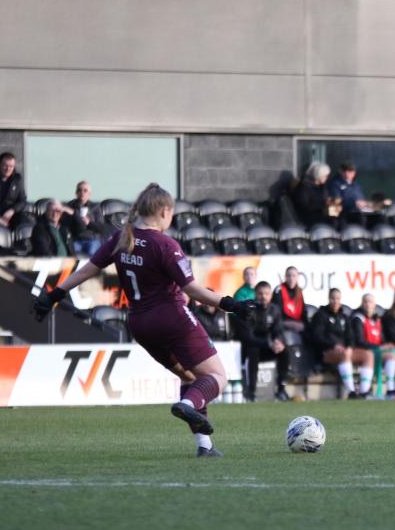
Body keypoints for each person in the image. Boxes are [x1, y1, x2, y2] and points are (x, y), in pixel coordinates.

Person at [31, 183, 256, 457]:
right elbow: (192, 289)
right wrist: (230, 304)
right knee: (216, 376)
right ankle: (187, 405)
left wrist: (54, 295)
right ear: (164, 211)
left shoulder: (122, 238)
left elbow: (87, 269)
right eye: (171, 213)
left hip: (140, 324)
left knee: (189, 376)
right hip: (172, 319)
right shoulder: (165, 244)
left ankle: (204, 446)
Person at [235, 281, 292, 402]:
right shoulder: (248, 310)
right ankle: (251, 393)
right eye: (260, 293)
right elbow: (248, 336)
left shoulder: (274, 309)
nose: (263, 297)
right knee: (253, 351)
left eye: (266, 293)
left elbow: (278, 330)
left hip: (268, 347)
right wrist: (268, 343)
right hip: (249, 348)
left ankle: (281, 389)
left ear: (271, 295)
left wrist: (278, 342)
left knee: (285, 350)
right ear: (255, 294)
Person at [311, 288, 371, 398]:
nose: (335, 301)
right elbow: (317, 337)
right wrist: (333, 345)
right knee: (345, 354)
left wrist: (349, 346)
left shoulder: (344, 316)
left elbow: (350, 336)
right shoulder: (320, 315)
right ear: (329, 299)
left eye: (338, 298)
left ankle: (364, 391)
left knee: (368, 355)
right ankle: (352, 392)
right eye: (333, 298)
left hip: (345, 352)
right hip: (327, 352)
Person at [351, 293, 395, 398]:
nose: (368, 304)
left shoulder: (377, 319)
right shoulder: (357, 318)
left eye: (370, 302)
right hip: (363, 350)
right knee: (369, 356)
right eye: (365, 302)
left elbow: (381, 339)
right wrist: (379, 347)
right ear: (362, 304)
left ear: (374, 305)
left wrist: (386, 345)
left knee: (393, 355)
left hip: (376, 351)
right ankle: (364, 391)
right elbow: (359, 341)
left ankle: (390, 389)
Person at [64, 180, 109, 256]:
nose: (82, 193)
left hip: (92, 239)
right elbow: (65, 224)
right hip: (76, 239)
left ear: (89, 194)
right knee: (73, 257)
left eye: (85, 190)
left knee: (91, 256)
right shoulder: (70, 206)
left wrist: (89, 223)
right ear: (76, 193)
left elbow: (101, 228)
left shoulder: (95, 207)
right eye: (79, 190)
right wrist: (76, 218)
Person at [272, 265, 310, 342]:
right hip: (283, 322)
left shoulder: (299, 291)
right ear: (285, 277)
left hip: (297, 322)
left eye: (294, 276)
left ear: (297, 277)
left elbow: (303, 310)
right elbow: (276, 311)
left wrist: (307, 324)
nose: (291, 278)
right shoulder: (279, 290)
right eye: (289, 276)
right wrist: (290, 323)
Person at [291, 162, 335, 227]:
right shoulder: (304, 187)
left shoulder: (322, 187)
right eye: (325, 176)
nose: (327, 178)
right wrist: (323, 204)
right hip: (309, 219)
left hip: (322, 215)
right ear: (319, 175)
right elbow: (304, 205)